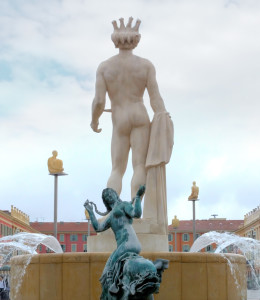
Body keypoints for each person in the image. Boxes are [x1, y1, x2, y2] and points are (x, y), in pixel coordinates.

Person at [91, 17, 170, 199]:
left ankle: (114, 212)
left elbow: (99, 102)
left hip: (120, 120)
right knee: (139, 166)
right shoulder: (146, 65)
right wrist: (163, 118)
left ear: (115, 41)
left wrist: (94, 120)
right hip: (140, 115)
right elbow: (155, 98)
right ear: (136, 41)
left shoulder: (104, 67)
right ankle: (135, 210)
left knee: (117, 169)